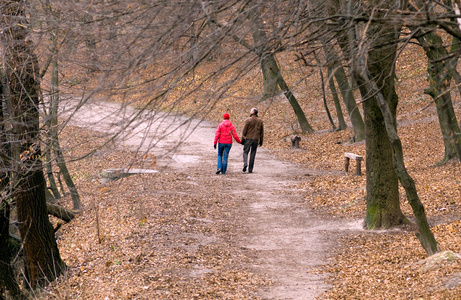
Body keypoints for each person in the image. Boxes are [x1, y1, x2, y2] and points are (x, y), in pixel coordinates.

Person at [241, 108, 264, 173]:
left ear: (253, 112)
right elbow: (262, 132)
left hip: (248, 139)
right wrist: (261, 141)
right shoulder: (260, 121)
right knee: (253, 154)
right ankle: (250, 169)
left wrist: (242, 139)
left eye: (251, 111)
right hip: (256, 139)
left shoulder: (248, 120)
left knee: (245, 152)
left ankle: (245, 164)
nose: (250, 111)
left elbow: (244, 131)